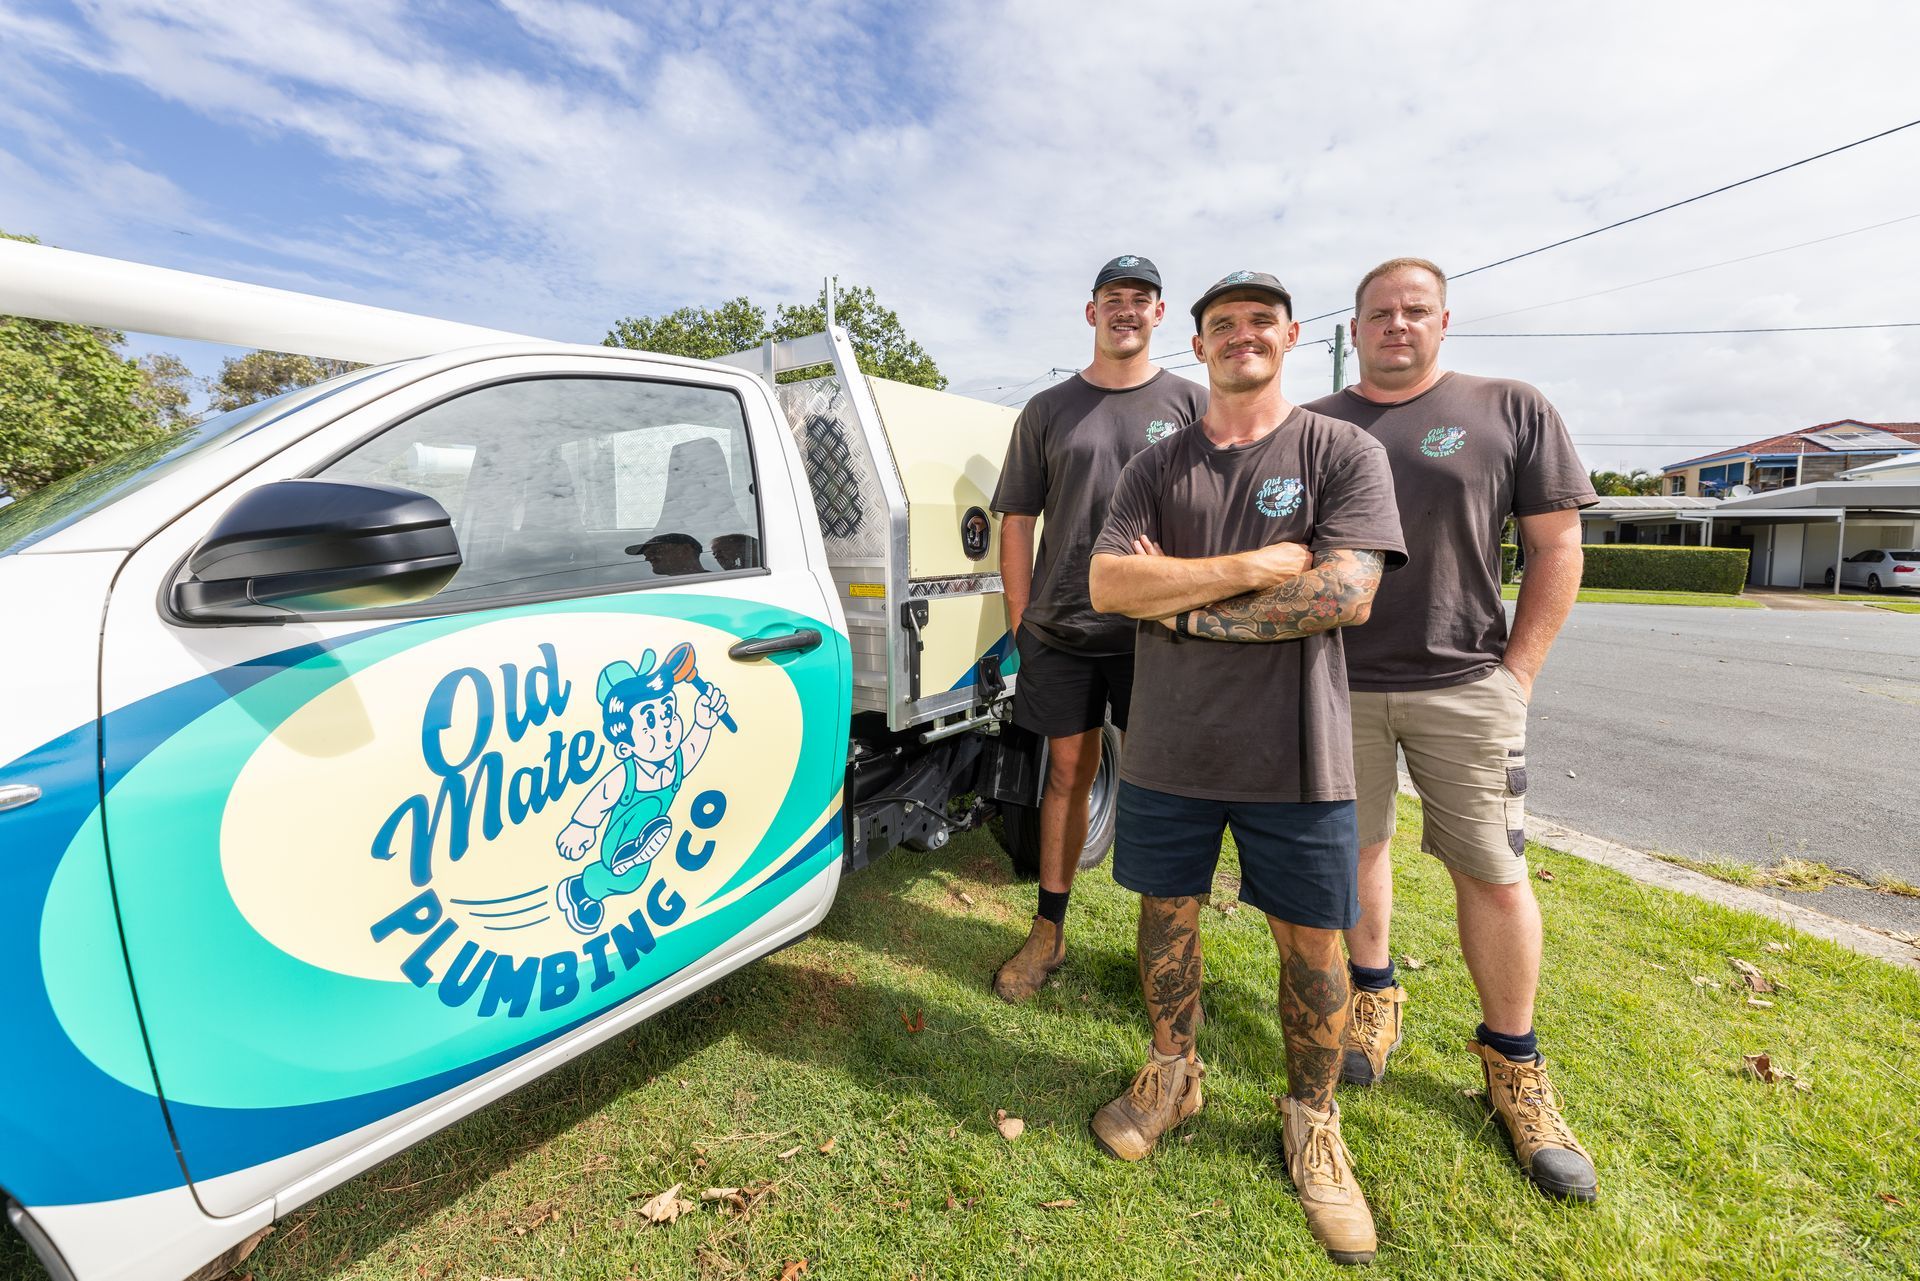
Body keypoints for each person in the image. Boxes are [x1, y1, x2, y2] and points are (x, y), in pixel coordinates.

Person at [1087, 271, 1405, 1265]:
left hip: (1297, 753)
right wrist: (1251, 566)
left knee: (1313, 944)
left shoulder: (1340, 449)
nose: (1241, 337)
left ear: (1294, 336)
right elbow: (1106, 581)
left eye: (1260, 322)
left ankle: (1314, 1122)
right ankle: (1172, 1075)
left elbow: (1344, 593)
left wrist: (1172, 601)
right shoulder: (1158, 463)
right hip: (1172, 745)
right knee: (1163, 914)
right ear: (1200, 344)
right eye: (1222, 325)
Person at [1302, 257, 1600, 1202]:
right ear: (1353, 326)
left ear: (1444, 320)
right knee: (1356, 848)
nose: (1397, 324)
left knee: (1494, 872)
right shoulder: (1312, 424)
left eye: (1415, 310)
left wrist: (1517, 675)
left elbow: (1557, 544)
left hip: (1468, 682)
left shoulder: (1511, 407)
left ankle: (1516, 1064)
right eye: (1379, 312)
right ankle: (1373, 993)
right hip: (1336, 680)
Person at [988, 255, 1207, 1002]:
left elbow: (1215, 509)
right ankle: (1048, 931)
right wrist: (1021, 617)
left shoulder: (1191, 403)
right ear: (1091, 314)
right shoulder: (1048, 410)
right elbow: (1016, 519)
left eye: (1141, 299)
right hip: (1062, 632)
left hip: (1157, 632)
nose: (1127, 310)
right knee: (1065, 776)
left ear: (1160, 313)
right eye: (1113, 299)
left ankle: (1163, 946)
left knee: (1161, 788)